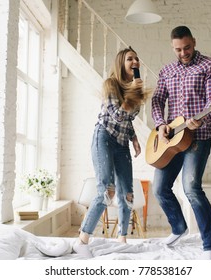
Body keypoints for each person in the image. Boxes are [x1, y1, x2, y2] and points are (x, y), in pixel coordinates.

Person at [151, 26, 211, 260]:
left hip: (198, 138)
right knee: (160, 189)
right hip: (172, 139)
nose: (183, 53)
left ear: (194, 41)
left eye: (187, 47)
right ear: (173, 47)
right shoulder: (167, 70)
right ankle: (178, 228)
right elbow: (157, 100)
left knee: (191, 188)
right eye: (178, 49)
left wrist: (201, 121)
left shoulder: (210, 66)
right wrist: (161, 123)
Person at [73, 47, 149, 257]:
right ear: (121, 63)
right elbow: (116, 115)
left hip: (122, 142)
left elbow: (128, 120)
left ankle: (122, 239)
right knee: (107, 190)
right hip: (104, 138)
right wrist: (133, 92)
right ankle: (82, 240)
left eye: (136, 58)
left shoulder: (135, 89)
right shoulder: (110, 84)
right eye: (129, 58)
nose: (135, 61)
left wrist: (134, 139)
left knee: (127, 193)